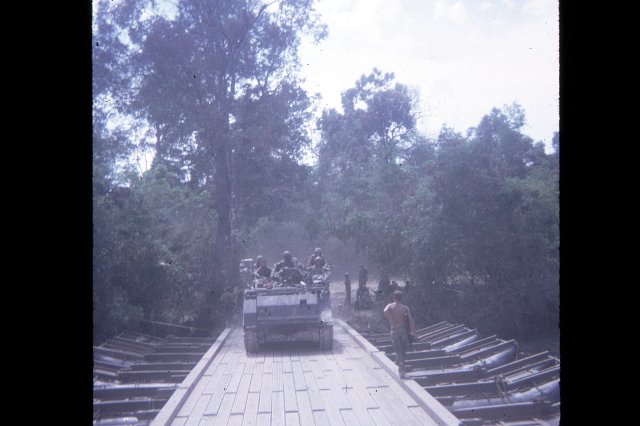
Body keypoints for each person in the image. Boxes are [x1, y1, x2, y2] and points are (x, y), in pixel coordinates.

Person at [383, 290, 417, 378]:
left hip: (394, 329)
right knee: (403, 347)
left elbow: (385, 311)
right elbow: (411, 320)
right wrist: (414, 332)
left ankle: (401, 365)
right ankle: (402, 364)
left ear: (394, 297)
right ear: (401, 298)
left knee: (397, 347)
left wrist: (390, 320)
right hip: (403, 329)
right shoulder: (405, 308)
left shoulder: (390, 306)